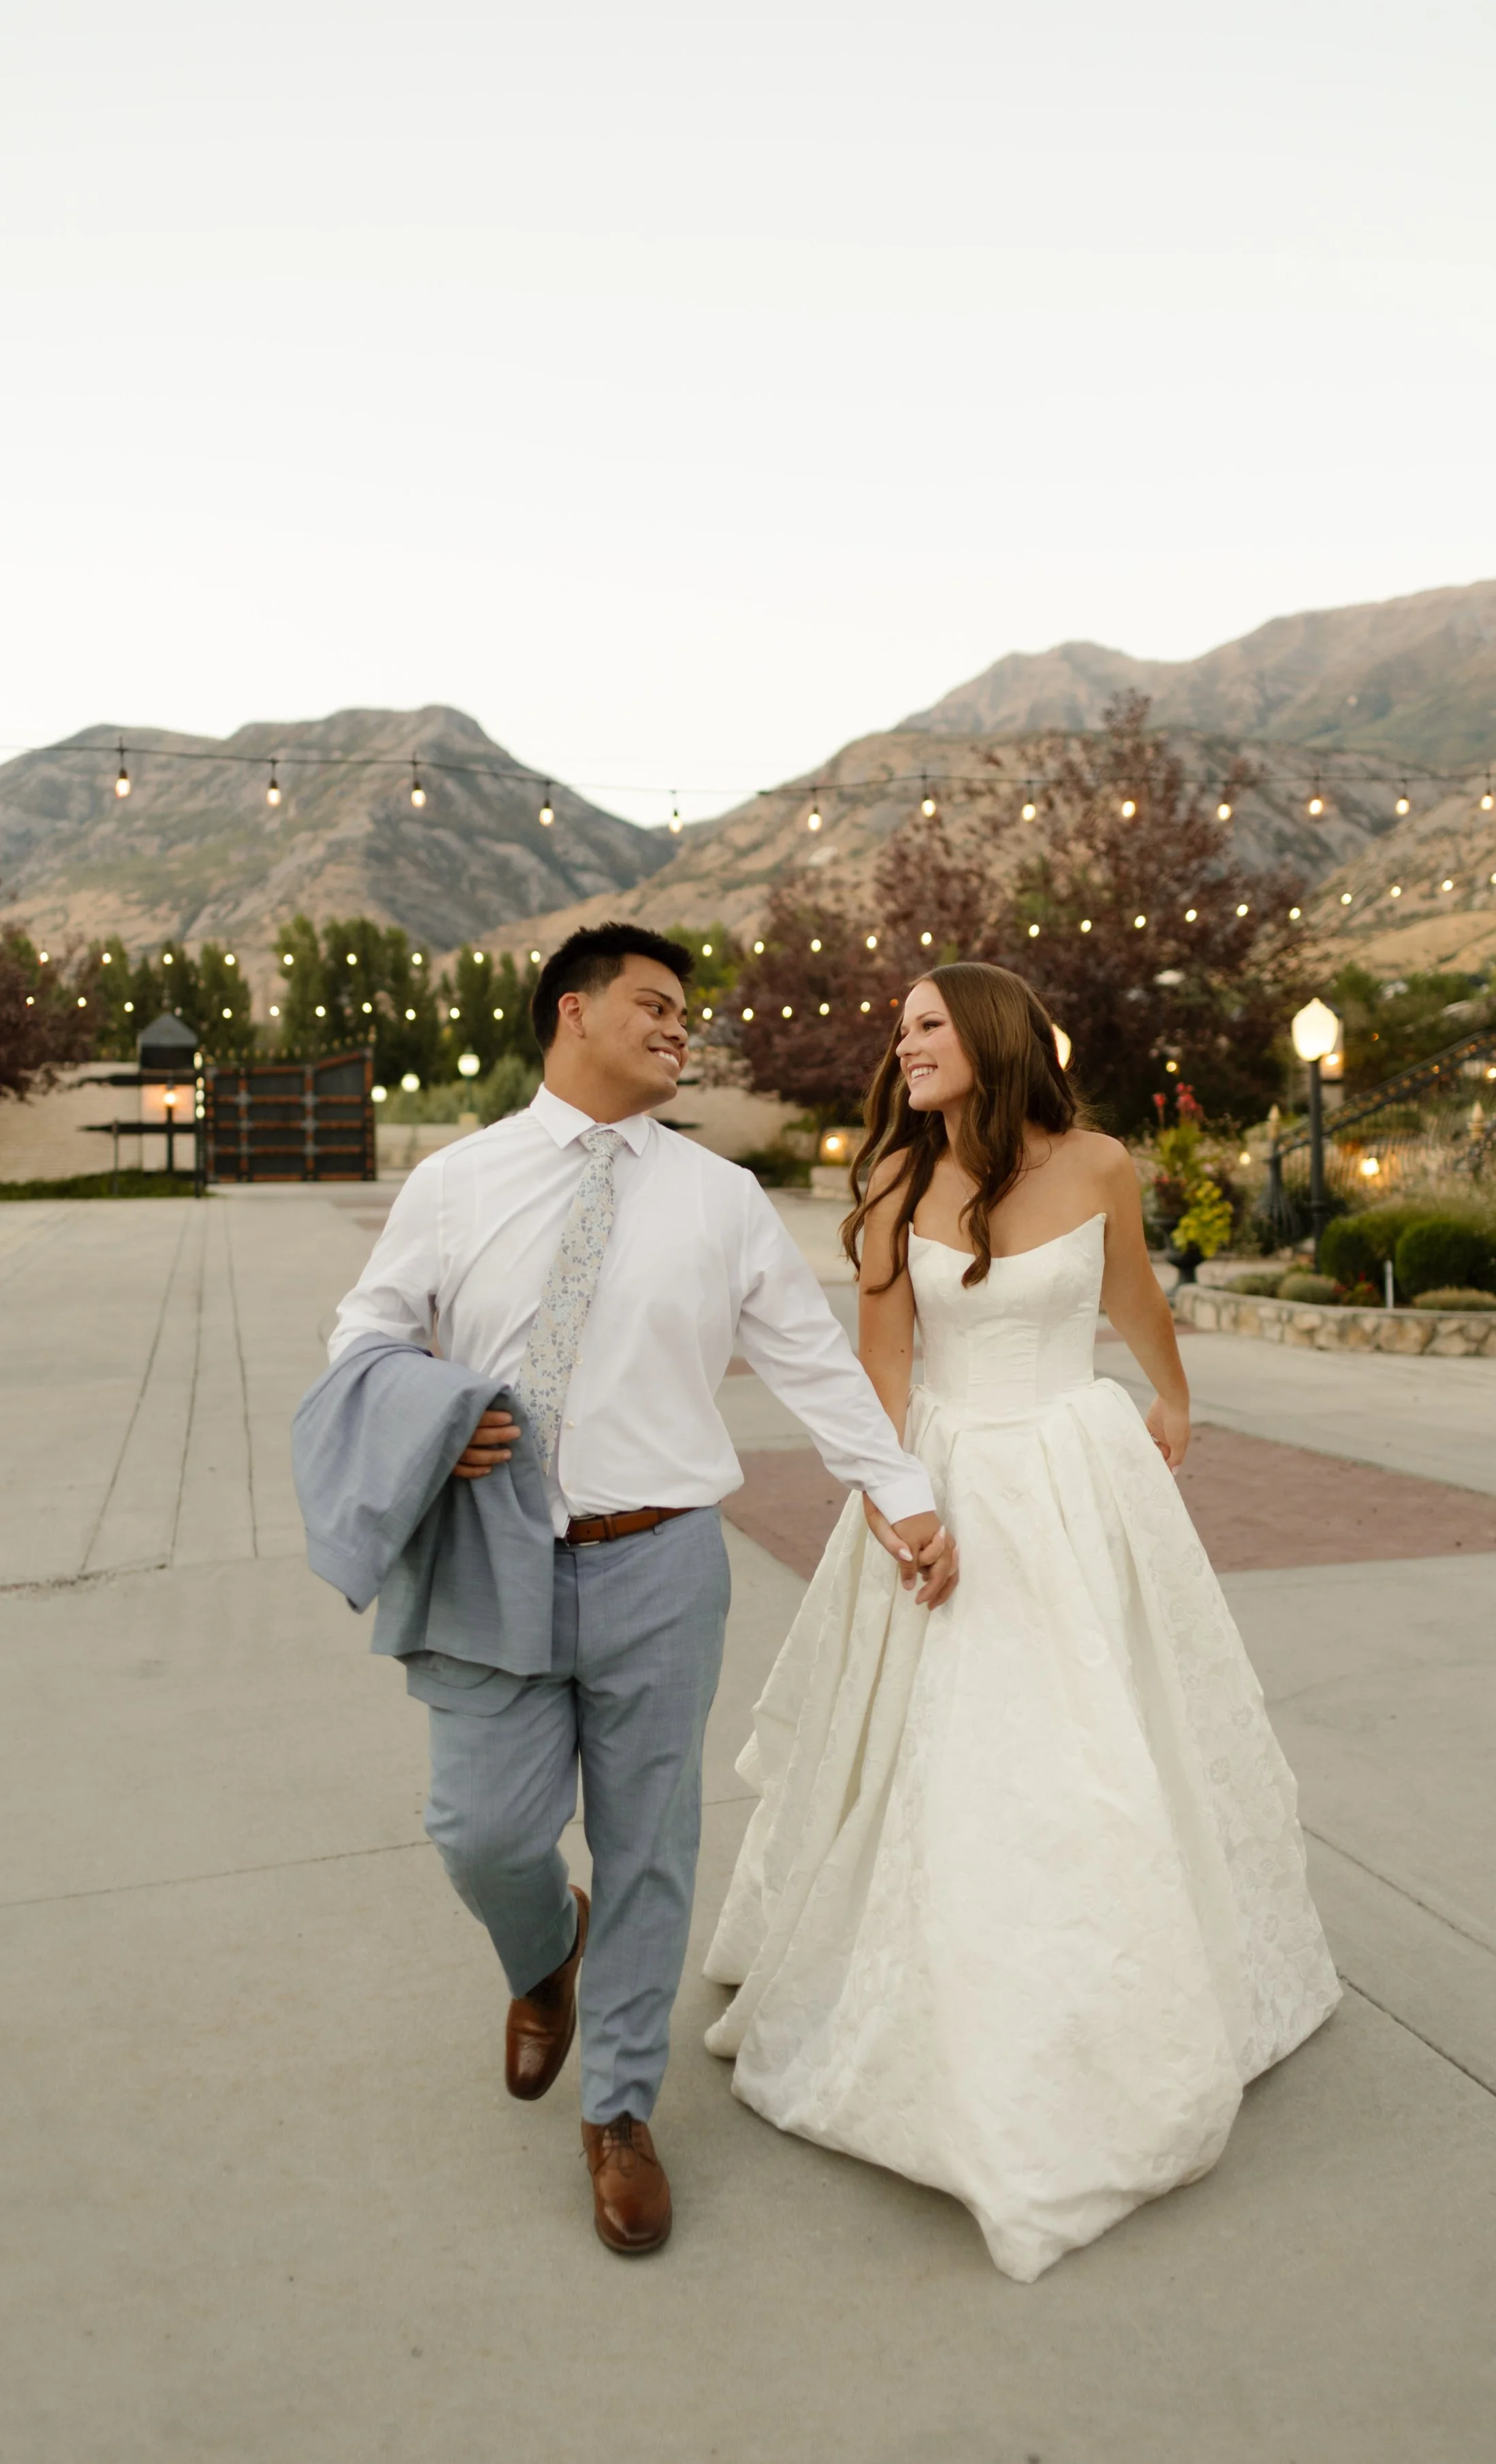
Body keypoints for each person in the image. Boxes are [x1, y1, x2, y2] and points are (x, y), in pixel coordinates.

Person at [324, 923, 957, 2256]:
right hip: (487, 1551)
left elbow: (810, 1360)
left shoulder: (719, 1199)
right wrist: (434, 1407)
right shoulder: (456, 1182)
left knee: (651, 1848)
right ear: (573, 1012)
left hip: (663, 1561)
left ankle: (616, 2111)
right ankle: (544, 1947)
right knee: (479, 1832)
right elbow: (365, 1331)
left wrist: (896, 1490)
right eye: (656, 1005)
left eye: (688, 1013)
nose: (682, 1030)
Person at [703, 961, 1339, 2282]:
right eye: (899, 1030)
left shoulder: (1098, 1161)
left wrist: (1171, 1395)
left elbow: (1130, 1296)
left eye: (926, 1024)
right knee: (959, 1749)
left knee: (1105, 1730)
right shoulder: (890, 1185)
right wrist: (898, 1515)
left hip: (1078, 1470)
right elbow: (881, 1373)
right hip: (949, 1479)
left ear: (988, 1036)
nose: (904, 1043)